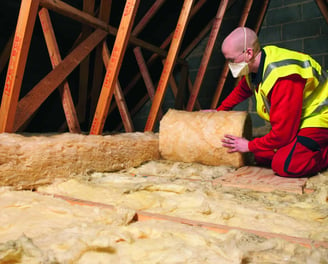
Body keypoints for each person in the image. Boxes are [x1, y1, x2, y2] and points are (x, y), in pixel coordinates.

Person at [217, 27, 328, 177]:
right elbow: (242, 90)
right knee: (260, 156)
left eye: (232, 60)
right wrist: (218, 112)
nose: (230, 65)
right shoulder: (258, 63)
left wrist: (248, 145)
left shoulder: (282, 76)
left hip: (319, 117)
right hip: (299, 119)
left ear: (248, 53)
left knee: (285, 164)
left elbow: (283, 134)